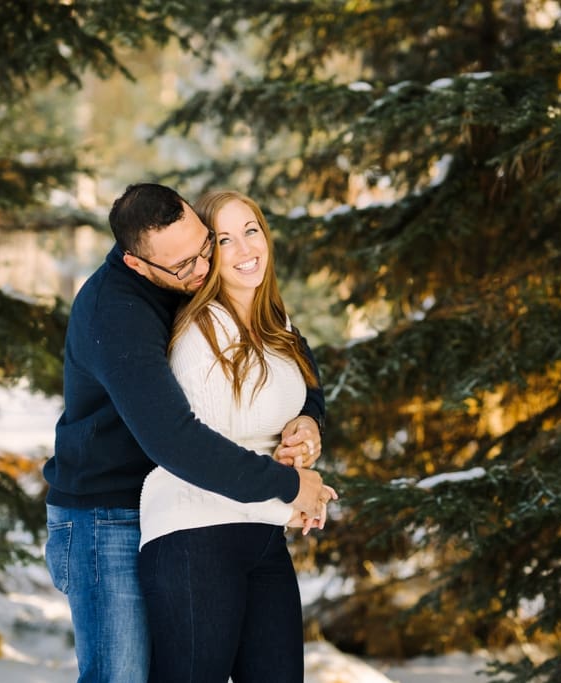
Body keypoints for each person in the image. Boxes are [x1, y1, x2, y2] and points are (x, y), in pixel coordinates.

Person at [42, 183, 328, 683]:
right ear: (138, 264)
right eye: (182, 266)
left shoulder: (201, 273)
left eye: (204, 249)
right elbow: (174, 438)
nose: (202, 269)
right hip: (103, 516)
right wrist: (288, 487)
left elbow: (291, 358)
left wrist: (310, 419)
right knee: (122, 676)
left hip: (178, 501)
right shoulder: (117, 312)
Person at [138, 190, 339, 683]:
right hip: (194, 538)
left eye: (251, 230)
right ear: (206, 254)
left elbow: (307, 396)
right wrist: (296, 497)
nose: (245, 248)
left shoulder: (276, 327)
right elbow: (204, 458)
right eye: (224, 239)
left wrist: (308, 428)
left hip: (261, 535)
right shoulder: (199, 335)